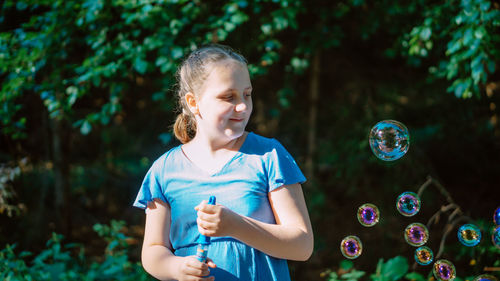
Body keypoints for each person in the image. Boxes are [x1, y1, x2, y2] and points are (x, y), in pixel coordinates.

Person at [133, 44, 313, 281]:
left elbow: (302, 246)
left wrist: (235, 225)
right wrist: (176, 268)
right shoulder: (164, 170)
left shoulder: (268, 155)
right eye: (228, 97)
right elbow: (153, 251)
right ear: (193, 102)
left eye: (247, 94)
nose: (242, 106)